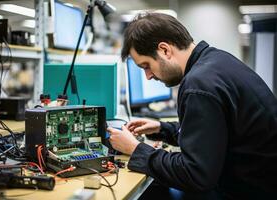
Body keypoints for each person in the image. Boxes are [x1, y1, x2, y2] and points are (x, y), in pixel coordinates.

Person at [107, 12, 277, 199]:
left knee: (154, 192)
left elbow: (196, 175)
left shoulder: (199, 84)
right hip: (260, 183)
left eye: (146, 66)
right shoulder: (216, 61)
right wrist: (161, 128)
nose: (148, 76)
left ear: (165, 50)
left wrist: (136, 150)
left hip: (247, 192)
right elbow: (215, 132)